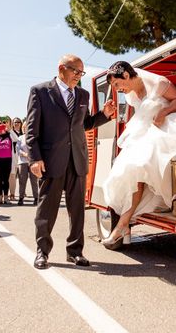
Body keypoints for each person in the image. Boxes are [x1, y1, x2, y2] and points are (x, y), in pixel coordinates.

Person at [26, 54, 116, 269]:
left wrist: (104, 115)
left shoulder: (83, 95)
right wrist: (35, 158)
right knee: (46, 210)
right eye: (75, 71)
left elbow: (84, 124)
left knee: (77, 211)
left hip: (77, 160)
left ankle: (75, 251)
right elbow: (31, 129)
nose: (78, 76)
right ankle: (42, 252)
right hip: (50, 161)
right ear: (61, 68)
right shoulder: (40, 91)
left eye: (81, 72)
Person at [101, 61, 176, 249]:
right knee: (132, 173)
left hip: (167, 127)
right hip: (147, 132)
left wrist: (164, 112)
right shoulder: (131, 93)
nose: (116, 90)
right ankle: (123, 226)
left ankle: (122, 227)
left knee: (139, 167)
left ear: (125, 76)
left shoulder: (159, 83)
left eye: (116, 84)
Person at [0, 116, 18, 204]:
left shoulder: (10, 134)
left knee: (6, 179)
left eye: (4, 123)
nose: (2, 125)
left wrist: (9, 129)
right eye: (0, 123)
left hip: (8, 160)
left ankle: (6, 198)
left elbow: (16, 139)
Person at [16, 121, 37, 206]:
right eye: (24, 127)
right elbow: (18, 149)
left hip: (32, 162)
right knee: (22, 181)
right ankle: (21, 198)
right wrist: (25, 154)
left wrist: (31, 156)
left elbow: (36, 148)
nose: (25, 128)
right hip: (22, 162)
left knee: (34, 181)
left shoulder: (33, 137)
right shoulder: (20, 138)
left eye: (27, 127)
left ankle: (36, 198)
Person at [9, 117, 23, 200]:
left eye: (18, 122)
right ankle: (12, 194)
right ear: (12, 124)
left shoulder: (23, 133)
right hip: (14, 157)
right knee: (12, 176)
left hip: (23, 157)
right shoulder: (10, 132)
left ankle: (22, 192)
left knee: (22, 177)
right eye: (15, 122)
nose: (17, 123)